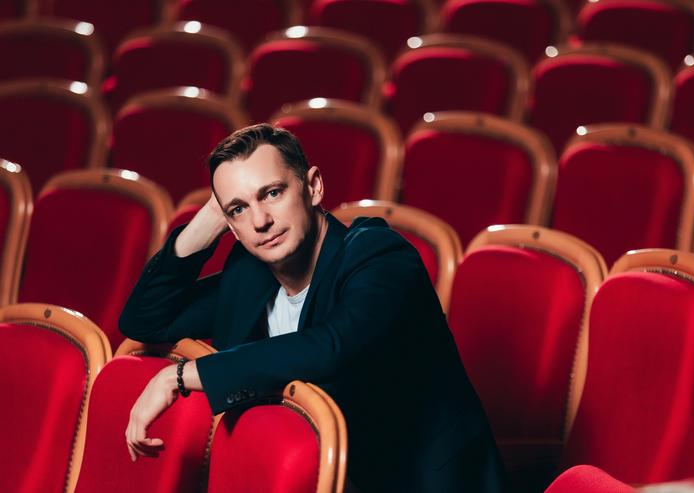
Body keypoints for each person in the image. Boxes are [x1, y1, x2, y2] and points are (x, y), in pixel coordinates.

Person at [119, 123, 504, 492]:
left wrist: (177, 376)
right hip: (314, 478)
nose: (260, 221)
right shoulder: (251, 273)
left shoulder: (379, 255)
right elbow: (145, 319)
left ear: (314, 186)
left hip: (419, 481)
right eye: (239, 209)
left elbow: (331, 346)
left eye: (272, 193)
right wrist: (212, 215)